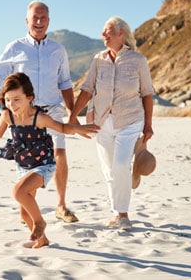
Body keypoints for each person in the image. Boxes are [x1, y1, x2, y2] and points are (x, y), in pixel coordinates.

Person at [0, 73, 99, 248]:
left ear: (29, 97)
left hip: (43, 165)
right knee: (25, 214)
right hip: (23, 166)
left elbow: (62, 127)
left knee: (18, 192)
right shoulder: (7, 116)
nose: (12, 104)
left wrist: (78, 128)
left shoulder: (38, 117)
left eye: (17, 99)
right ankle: (43, 240)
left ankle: (40, 223)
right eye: (8, 100)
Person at [0, 0, 78, 223]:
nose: (39, 22)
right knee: (27, 159)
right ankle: (28, 203)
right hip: (24, 116)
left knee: (60, 154)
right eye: (35, 18)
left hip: (51, 111)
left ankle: (61, 205)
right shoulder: (15, 48)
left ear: (49, 21)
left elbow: (65, 83)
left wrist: (73, 113)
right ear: (27, 21)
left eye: (43, 18)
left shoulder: (58, 50)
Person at [69, 16, 154, 231]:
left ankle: (124, 215)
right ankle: (117, 212)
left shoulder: (138, 60)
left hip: (130, 120)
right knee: (109, 170)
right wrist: (73, 116)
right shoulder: (99, 60)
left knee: (120, 165)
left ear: (120, 34)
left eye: (108, 31)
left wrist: (148, 125)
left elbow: (147, 95)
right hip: (102, 121)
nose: (103, 35)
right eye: (103, 31)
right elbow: (87, 89)